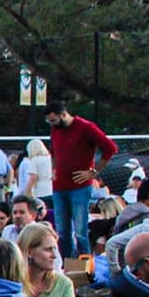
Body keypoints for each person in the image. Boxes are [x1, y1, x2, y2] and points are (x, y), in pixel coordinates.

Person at [44, 100, 115, 256]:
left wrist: (94, 171)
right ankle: (66, 266)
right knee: (62, 232)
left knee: (81, 232)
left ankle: (84, 269)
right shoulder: (55, 129)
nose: (52, 124)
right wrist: (53, 170)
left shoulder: (86, 127)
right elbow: (54, 152)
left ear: (63, 115)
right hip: (60, 186)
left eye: (54, 120)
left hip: (79, 186)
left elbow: (110, 148)